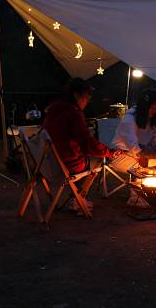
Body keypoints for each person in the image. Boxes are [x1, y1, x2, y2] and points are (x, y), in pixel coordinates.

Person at [42, 78, 121, 213]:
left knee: (84, 157)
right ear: (76, 95)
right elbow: (87, 144)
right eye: (86, 98)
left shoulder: (54, 109)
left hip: (46, 163)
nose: (86, 102)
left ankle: (76, 198)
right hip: (65, 164)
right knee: (97, 161)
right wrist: (110, 152)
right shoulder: (73, 113)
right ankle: (79, 199)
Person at [111, 89, 156, 208]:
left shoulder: (151, 117)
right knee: (149, 161)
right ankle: (135, 197)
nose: (153, 111)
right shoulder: (129, 120)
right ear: (144, 107)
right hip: (122, 155)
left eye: (155, 108)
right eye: (151, 108)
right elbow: (136, 150)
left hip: (144, 152)